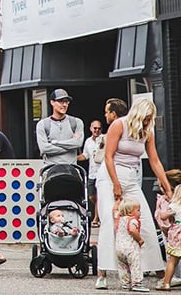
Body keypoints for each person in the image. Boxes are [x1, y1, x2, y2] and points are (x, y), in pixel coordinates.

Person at [95, 98, 171, 290]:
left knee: (144, 220)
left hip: (131, 176)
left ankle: (158, 269)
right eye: (145, 118)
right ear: (137, 114)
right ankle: (102, 273)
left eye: (149, 119)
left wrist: (167, 187)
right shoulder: (119, 125)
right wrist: (115, 184)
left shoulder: (148, 132)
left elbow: (154, 161)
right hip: (110, 175)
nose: (147, 122)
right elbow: (108, 156)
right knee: (109, 219)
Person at [36, 89, 84, 165]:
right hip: (50, 169)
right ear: (52, 102)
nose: (64, 105)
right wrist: (71, 146)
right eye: (61, 101)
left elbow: (78, 143)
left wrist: (54, 143)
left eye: (66, 102)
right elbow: (44, 148)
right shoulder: (43, 124)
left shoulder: (76, 122)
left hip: (71, 169)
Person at [113, 199, 148, 292]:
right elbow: (132, 230)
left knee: (122, 267)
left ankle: (125, 283)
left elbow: (115, 210)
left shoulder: (118, 219)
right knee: (135, 265)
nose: (140, 212)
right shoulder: (132, 220)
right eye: (138, 210)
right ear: (130, 212)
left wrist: (117, 202)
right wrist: (139, 239)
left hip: (119, 248)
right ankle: (137, 283)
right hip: (131, 248)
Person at [155, 170, 181, 288]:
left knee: (172, 260)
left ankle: (166, 282)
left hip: (175, 235)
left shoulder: (172, 204)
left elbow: (163, 218)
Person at [77, 120, 104, 226]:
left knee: (99, 196)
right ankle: (99, 215)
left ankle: (96, 218)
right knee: (92, 197)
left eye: (99, 128)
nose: (97, 130)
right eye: (95, 128)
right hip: (92, 173)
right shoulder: (88, 141)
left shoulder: (104, 139)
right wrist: (70, 158)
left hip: (102, 172)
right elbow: (85, 156)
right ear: (90, 128)